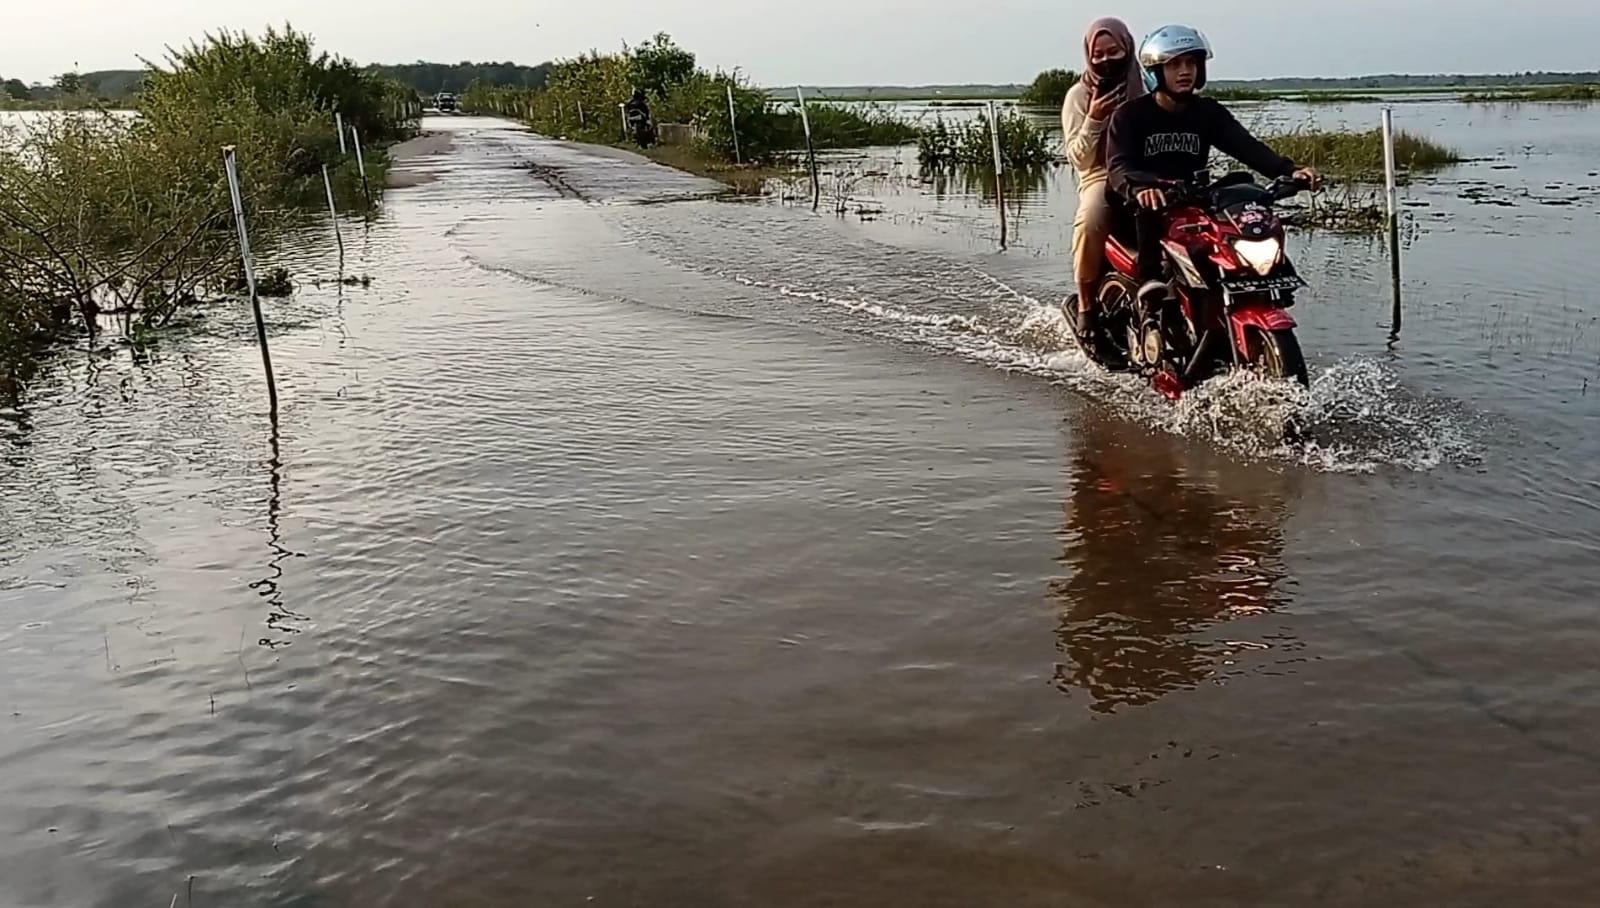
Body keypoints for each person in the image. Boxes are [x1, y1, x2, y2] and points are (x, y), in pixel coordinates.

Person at [1105, 25, 1318, 304]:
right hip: (1141, 199)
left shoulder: (1208, 112)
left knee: (1244, 187)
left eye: (1191, 63)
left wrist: (1289, 171)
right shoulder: (1130, 115)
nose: (1185, 71)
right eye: (1175, 64)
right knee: (1148, 209)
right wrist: (1139, 187)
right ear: (1155, 71)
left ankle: (1270, 272)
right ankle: (1151, 280)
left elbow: (1247, 146)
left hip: (1191, 194)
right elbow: (1118, 164)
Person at [1061, 17, 1146, 348]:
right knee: (1091, 219)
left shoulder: (1147, 87)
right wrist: (1095, 118)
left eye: (1115, 50)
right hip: (1100, 175)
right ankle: (1086, 304)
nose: (1107, 59)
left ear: (1128, 47)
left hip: (1145, 173)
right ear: (1088, 55)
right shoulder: (1079, 96)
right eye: (1099, 54)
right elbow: (1079, 158)